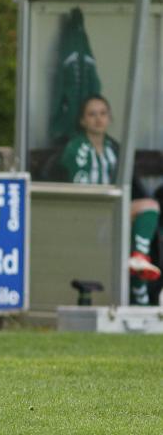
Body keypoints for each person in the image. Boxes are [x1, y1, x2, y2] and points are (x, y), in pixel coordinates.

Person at [59, 94, 161, 305]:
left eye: (103, 113)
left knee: (147, 212)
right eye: (92, 114)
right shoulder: (76, 148)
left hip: (112, 216)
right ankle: (139, 282)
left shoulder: (113, 149)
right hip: (87, 217)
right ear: (82, 121)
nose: (98, 119)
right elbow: (78, 192)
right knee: (147, 208)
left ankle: (139, 268)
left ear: (110, 118)